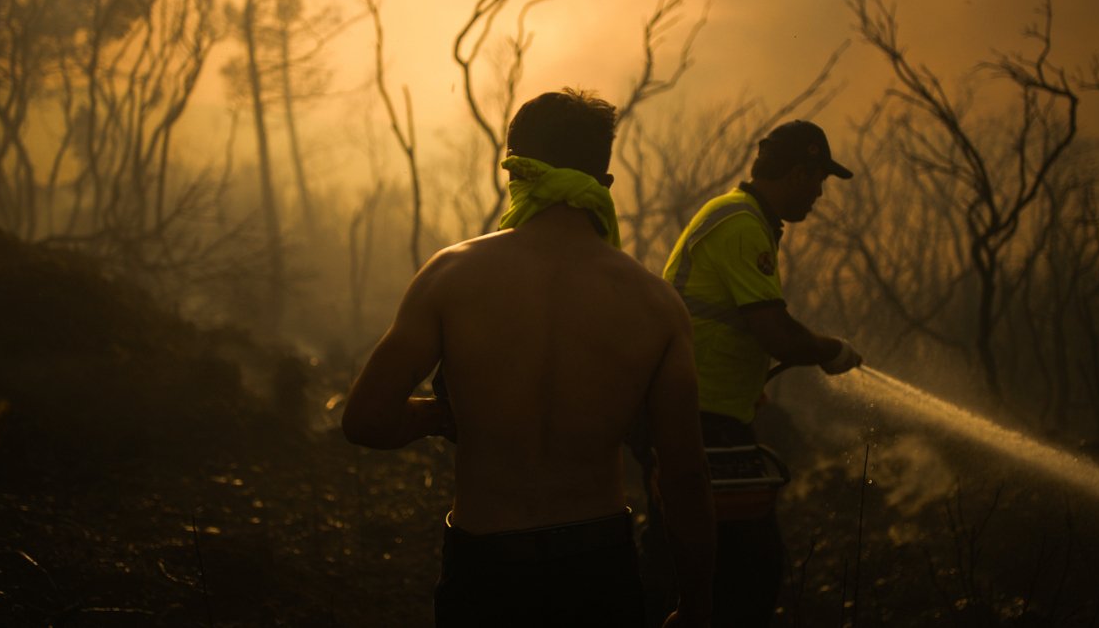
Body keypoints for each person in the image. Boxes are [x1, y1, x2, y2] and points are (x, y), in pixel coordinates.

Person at [342, 88, 716, 628]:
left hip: (486, 569)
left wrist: (444, 416)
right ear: (604, 183)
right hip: (598, 569)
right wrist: (698, 605)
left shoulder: (452, 276)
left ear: (515, 171)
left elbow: (367, 420)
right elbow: (684, 474)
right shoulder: (655, 304)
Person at [639, 120, 863, 627]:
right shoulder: (741, 224)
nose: (820, 193)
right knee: (742, 571)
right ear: (799, 172)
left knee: (701, 560)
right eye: (818, 179)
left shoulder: (742, 219)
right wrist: (830, 350)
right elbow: (775, 333)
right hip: (699, 418)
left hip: (707, 414)